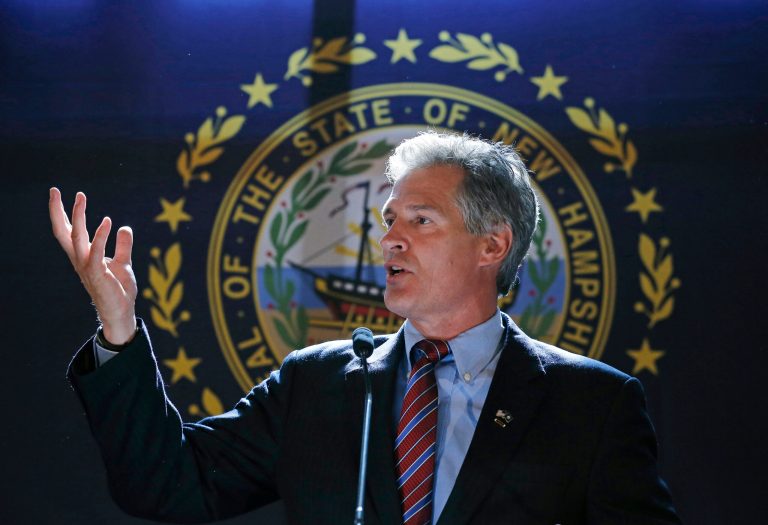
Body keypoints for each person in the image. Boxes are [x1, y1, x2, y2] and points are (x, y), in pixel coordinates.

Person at [50, 131, 681, 524]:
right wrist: (119, 325)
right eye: (389, 219)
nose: (390, 239)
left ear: (493, 245)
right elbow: (168, 486)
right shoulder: (317, 383)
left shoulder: (593, 404)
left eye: (421, 220)